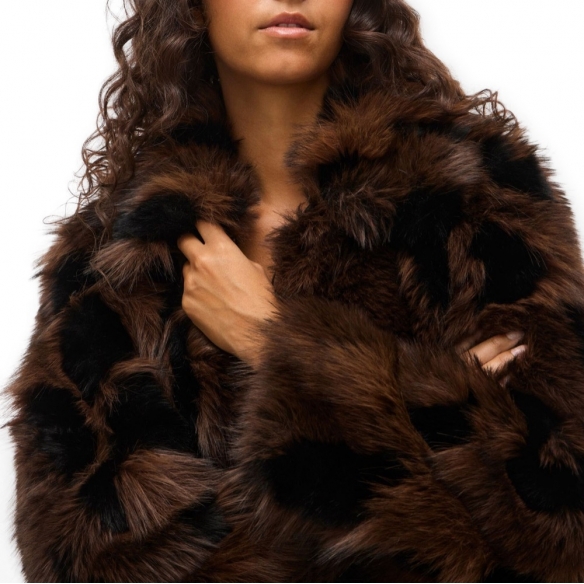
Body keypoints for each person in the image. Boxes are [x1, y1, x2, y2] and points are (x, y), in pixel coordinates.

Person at [5, 0, 584, 581]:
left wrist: (273, 341)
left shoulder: (478, 202)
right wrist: (429, 425)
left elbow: (559, 528)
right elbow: (77, 555)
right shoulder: (117, 255)